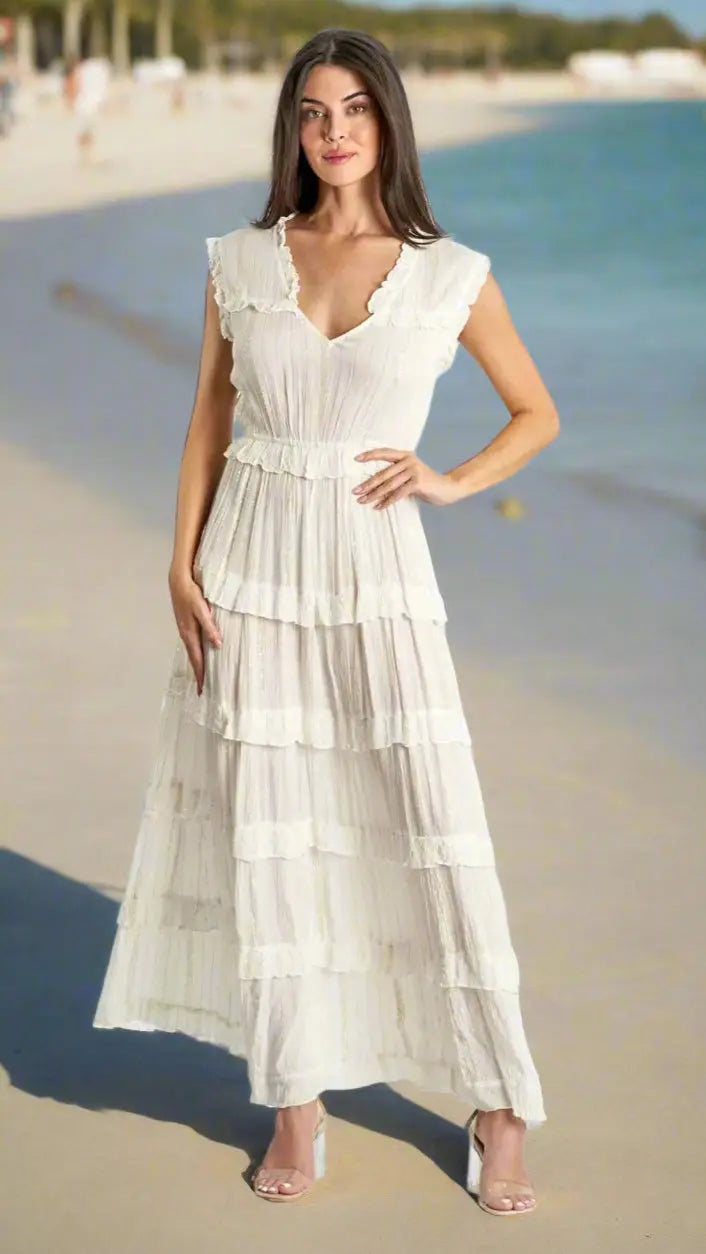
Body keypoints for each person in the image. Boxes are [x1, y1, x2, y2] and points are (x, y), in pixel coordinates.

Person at [93, 26, 559, 1214]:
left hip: (374, 569)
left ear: (388, 123)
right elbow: (207, 420)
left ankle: (498, 1102)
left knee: (427, 821)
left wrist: (449, 479)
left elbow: (534, 412)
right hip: (248, 565)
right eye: (313, 111)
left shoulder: (450, 273)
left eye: (355, 107)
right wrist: (179, 562)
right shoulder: (239, 260)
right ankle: (294, 1095)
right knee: (277, 835)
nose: (335, 129)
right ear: (292, 130)